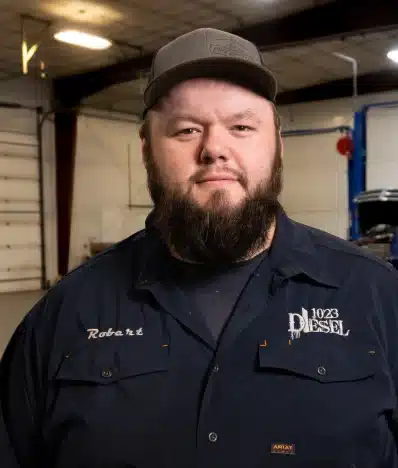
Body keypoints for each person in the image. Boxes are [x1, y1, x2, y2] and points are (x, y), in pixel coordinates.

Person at [1, 27, 398, 468]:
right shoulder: (64, 315)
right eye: (187, 129)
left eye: (242, 126)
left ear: (278, 146)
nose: (215, 149)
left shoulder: (378, 297)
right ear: (147, 152)